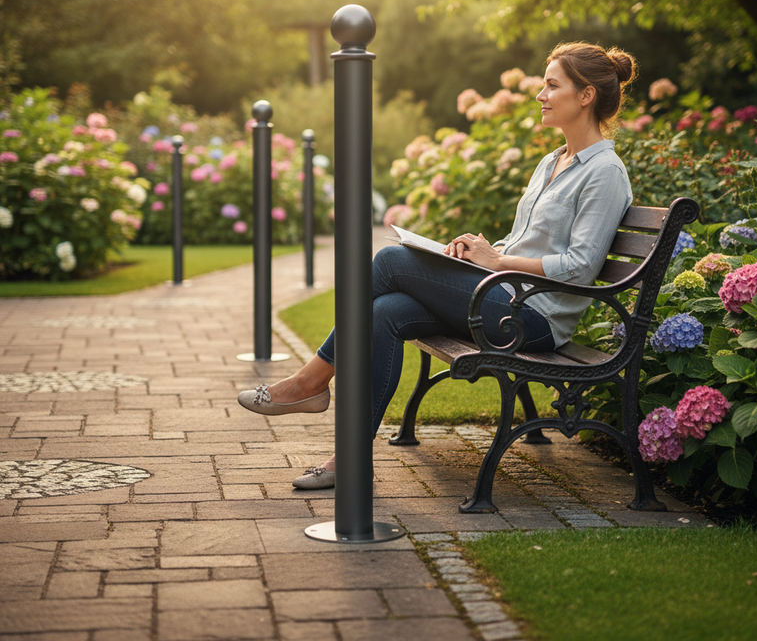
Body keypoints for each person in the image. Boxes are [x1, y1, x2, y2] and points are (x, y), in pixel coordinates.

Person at [238, 41, 637, 490]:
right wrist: (479, 251)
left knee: (389, 260)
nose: (540, 95)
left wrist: (497, 260)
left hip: (533, 319)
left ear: (586, 95)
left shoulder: (604, 172)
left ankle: (310, 382)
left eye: (552, 85)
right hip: (501, 296)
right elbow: (524, 240)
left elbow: (580, 266)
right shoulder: (551, 162)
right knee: (383, 312)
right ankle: (350, 457)